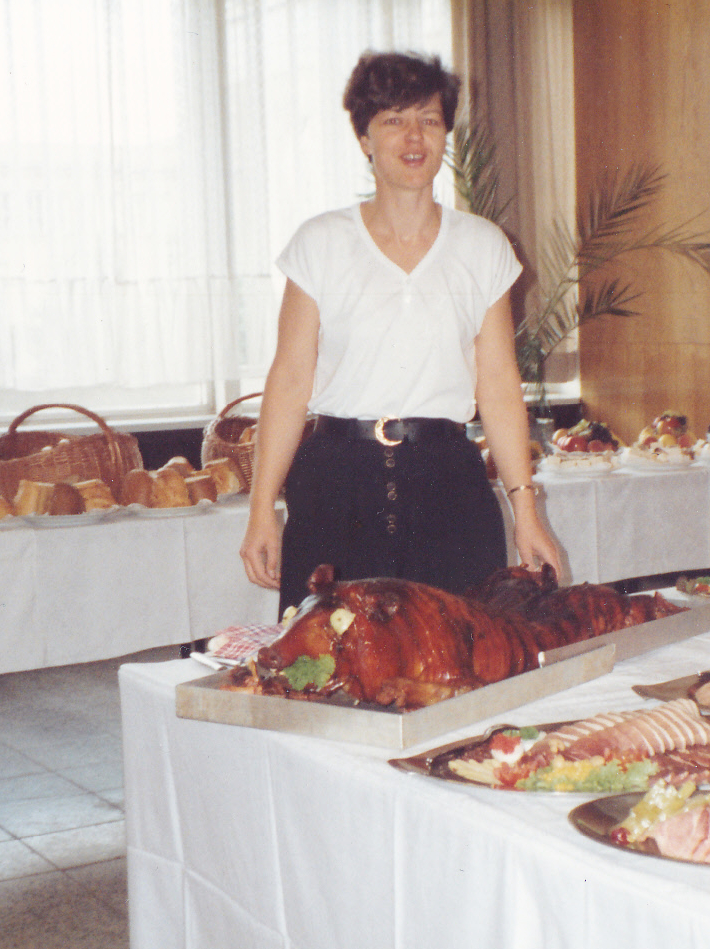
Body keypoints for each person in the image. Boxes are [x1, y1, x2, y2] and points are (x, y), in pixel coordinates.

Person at [239, 50, 563, 613]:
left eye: (430, 120)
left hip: (449, 485)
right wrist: (262, 505)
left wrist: (526, 513)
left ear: (445, 134)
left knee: (458, 662)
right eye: (393, 120)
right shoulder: (320, 242)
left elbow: (499, 385)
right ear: (365, 138)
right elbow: (290, 380)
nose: (414, 136)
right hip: (336, 484)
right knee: (329, 665)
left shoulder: (484, 246)